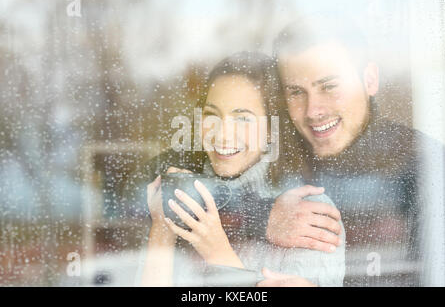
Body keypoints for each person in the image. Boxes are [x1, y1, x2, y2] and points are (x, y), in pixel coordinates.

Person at [260, 15, 445, 286]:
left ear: (370, 79)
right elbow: (191, 201)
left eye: (329, 86)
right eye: (296, 92)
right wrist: (264, 218)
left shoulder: (424, 166)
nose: (313, 110)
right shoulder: (277, 157)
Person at [133, 51, 345, 287]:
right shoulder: (182, 194)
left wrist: (218, 253)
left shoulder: (310, 211)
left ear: (272, 129)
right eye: (212, 115)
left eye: (243, 119)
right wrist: (162, 231)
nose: (222, 134)